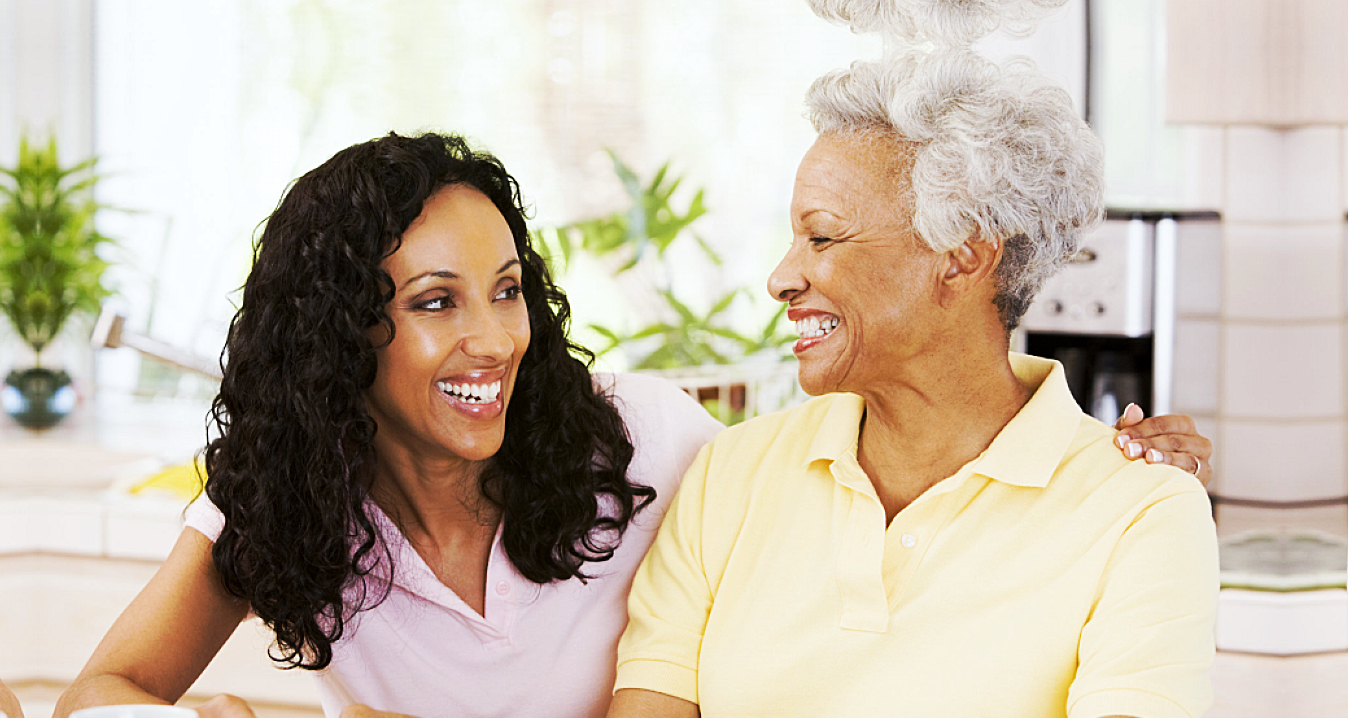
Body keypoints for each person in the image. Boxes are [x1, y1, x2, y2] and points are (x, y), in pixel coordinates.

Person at [54, 132, 1210, 718]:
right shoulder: (284, 494)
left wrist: (1102, 460)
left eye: (507, 290)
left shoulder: (656, 447)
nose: (494, 339)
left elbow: (877, 440)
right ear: (337, 340)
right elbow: (103, 694)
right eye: (433, 302)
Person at [609, 51, 1219, 718]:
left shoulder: (1141, 511)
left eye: (822, 237)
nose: (781, 277)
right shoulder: (732, 475)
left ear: (962, 256)